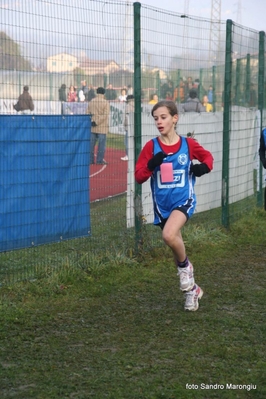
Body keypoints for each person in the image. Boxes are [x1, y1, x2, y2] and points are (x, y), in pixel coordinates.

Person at [135, 100, 213, 311]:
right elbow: (139, 176)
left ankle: (186, 269)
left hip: (183, 200)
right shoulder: (151, 146)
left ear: (174, 118)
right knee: (174, 244)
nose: (159, 122)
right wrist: (152, 164)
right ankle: (192, 291)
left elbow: (207, 157)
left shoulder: (187, 144)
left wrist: (202, 168)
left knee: (169, 236)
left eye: (163, 117)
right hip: (163, 206)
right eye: (156, 119)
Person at [86, 87, 110, 165]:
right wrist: (97, 121)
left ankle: (90, 160)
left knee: (91, 145)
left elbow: (87, 113)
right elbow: (105, 115)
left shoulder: (91, 101)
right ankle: (99, 160)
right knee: (101, 145)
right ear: (104, 93)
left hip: (92, 126)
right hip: (102, 127)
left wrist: (92, 121)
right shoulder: (105, 102)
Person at [121, 94, 134, 161]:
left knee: (127, 142)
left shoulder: (128, 106)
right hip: (135, 126)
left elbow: (126, 117)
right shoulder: (137, 105)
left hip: (128, 126)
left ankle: (128, 155)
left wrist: (125, 124)